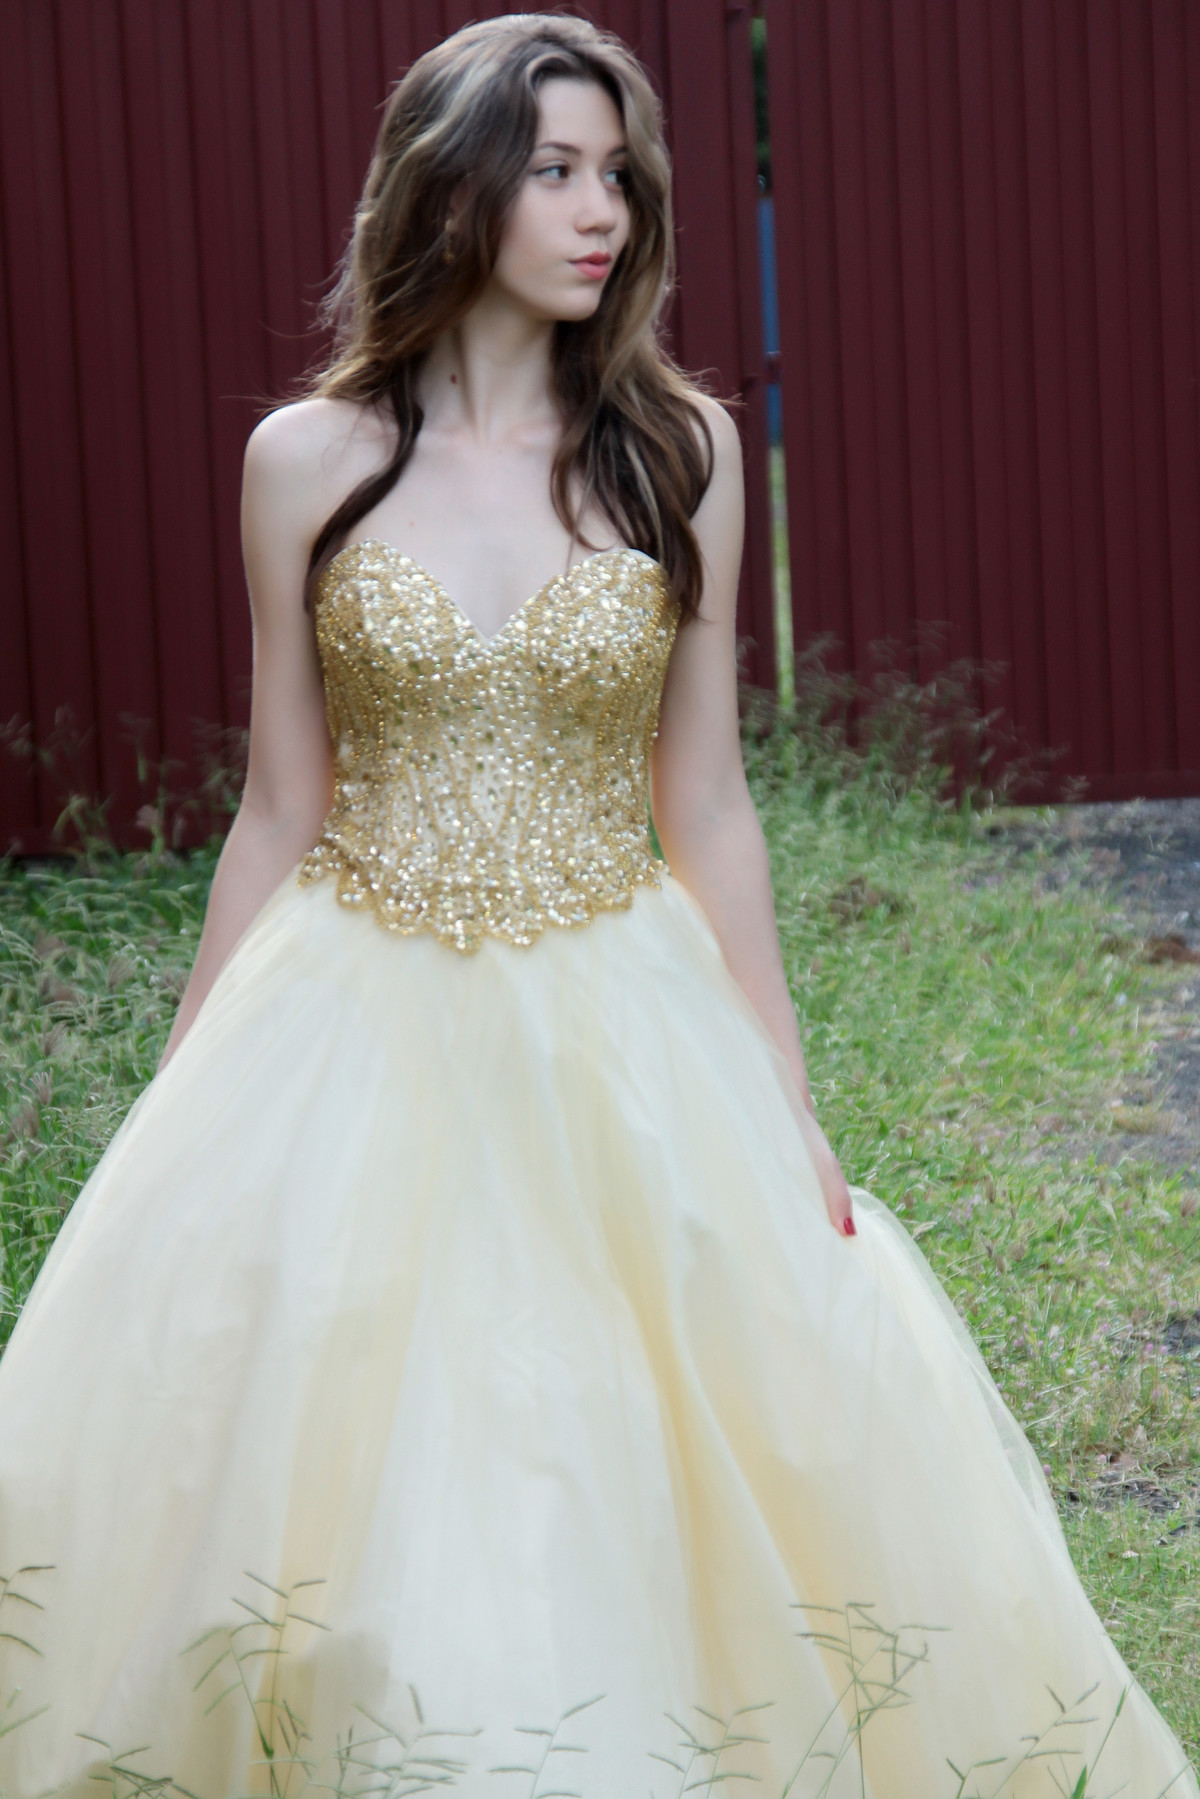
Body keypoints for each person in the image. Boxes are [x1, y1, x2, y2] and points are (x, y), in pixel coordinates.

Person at [0, 15, 1194, 1797]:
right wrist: (184, 1092)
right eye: (555, 170)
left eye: (619, 175)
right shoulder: (305, 461)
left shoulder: (678, 452)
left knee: (611, 1418)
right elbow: (277, 806)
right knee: (344, 1426)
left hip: (614, 1006)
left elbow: (706, 805)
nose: (600, 212)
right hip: (354, 999)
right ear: (451, 187)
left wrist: (784, 1095)